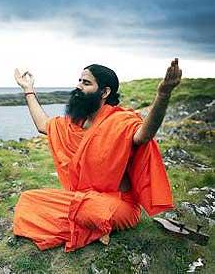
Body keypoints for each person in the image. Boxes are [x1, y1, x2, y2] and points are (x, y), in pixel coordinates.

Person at [12, 59, 182, 252]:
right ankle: (94, 227)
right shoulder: (75, 123)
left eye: (86, 83)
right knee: (28, 200)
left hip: (118, 205)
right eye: (79, 81)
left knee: (89, 208)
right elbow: (44, 125)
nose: (78, 86)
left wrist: (163, 95)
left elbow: (144, 134)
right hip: (82, 198)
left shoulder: (120, 121)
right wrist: (28, 89)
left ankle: (92, 225)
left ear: (105, 92)